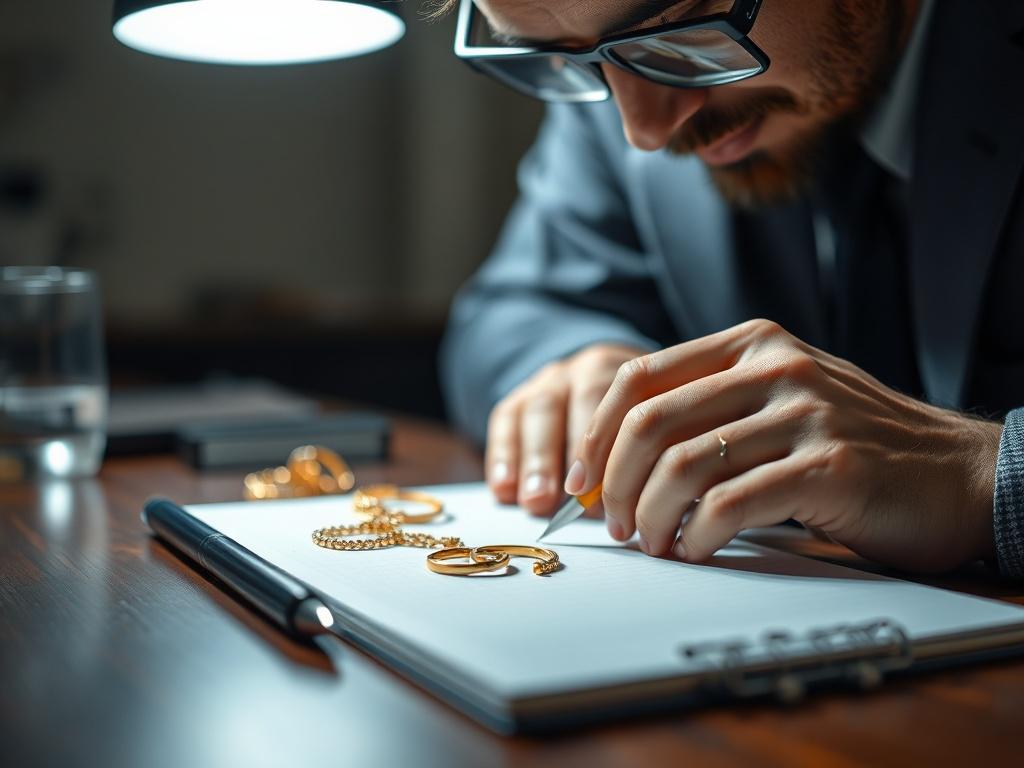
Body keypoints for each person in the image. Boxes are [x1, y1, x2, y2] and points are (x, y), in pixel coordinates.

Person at [438, 0, 1024, 576]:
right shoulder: (609, 67)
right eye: (569, 61)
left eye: (682, 33)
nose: (642, 131)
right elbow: (511, 311)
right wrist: (580, 367)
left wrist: (988, 476)